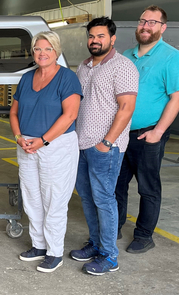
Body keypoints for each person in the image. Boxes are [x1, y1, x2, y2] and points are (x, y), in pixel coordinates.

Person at [71, 17, 139, 276]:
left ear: (112, 39)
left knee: (103, 199)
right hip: (81, 144)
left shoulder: (123, 66)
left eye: (100, 36)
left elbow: (126, 108)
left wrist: (107, 142)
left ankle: (109, 255)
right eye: (91, 36)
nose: (94, 40)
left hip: (105, 147)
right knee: (87, 198)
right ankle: (96, 243)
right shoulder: (84, 66)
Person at [9, 31, 82, 273]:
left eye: (48, 49)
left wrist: (42, 140)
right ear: (33, 53)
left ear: (57, 52)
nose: (42, 53)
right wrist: (19, 137)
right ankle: (39, 245)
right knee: (31, 197)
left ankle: (54, 252)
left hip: (56, 145)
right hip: (27, 145)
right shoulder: (26, 78)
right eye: (38, 49)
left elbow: (70, 115)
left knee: (54, 199)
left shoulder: (67, 78)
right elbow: (13, 112)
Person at [115, 5, 179, 254]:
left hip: (148, 134)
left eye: (152, 22)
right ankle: (115, 225)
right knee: (117, 184)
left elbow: (176, 98)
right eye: (143, 21)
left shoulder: (171, 56)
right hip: (121, 133)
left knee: (148, 187)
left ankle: (144, 235)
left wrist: (158, 132)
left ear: (163, 28)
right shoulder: (126, 56)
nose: (145, 26)